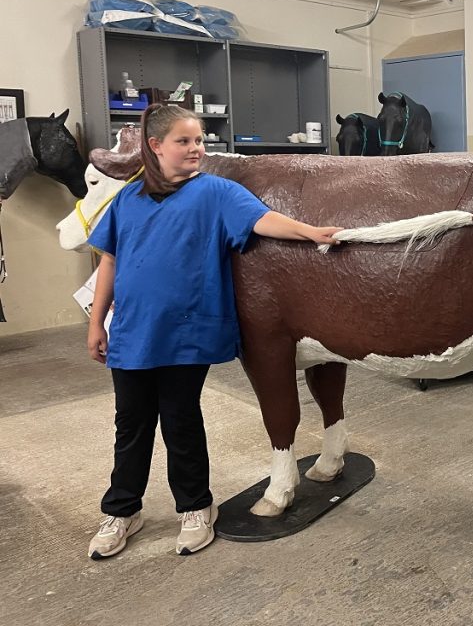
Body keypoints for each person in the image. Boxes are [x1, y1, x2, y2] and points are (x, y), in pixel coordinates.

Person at [86, 103, 343, 560]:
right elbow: (109, 259)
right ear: (156, 146)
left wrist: (310, 232)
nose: (195, 149)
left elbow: (263, 220)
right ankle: (122, 510)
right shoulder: (128, 198)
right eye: (184, 141)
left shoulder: (217, 193)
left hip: (187, 334)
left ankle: (195, 507)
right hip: (131, 333)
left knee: (181, 422)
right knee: (131, 425)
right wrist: (95, 322)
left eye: (199, 140)